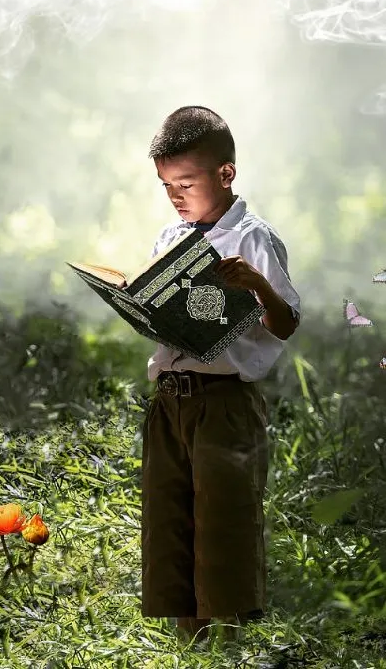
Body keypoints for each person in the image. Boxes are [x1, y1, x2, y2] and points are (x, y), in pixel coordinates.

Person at [141, 105, 301, 648]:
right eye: (166, 185)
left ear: (225, 173)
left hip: (225, 402)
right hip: (171, 396)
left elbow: (285, 325)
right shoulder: (170, 236)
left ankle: (227, 638)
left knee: (223, 514)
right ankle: (189, 636)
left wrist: (258, 285)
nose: (176, 195)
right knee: (171, 513)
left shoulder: (253, 239)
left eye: (185, 182)